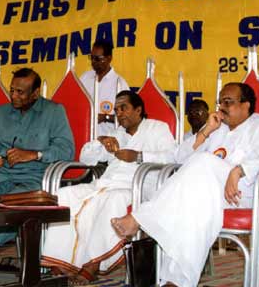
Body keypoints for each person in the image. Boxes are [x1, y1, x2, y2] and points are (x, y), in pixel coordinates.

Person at [112, 82, 259, 287]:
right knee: (194, 209)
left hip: (243, 195)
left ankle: (140, 217)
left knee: (203, 161)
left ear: (246, 105)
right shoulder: (217, 128)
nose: (221, 107)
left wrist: (238, 170)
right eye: (220, 102)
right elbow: (179, 157)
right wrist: (206, 131)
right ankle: (174, 282)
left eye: (228, 102)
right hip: (210, 196)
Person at [42, 90, 176, 284]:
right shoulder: (116, 134)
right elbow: (85, 158)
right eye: (116, 110)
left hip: (137, 188)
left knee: (112, 200)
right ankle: (61, 262)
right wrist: (101, 142)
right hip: (105, 184)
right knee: (65, 195)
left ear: (138, 110)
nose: (119, 114)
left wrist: (139, 156)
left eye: (124, 108)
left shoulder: (157, 128)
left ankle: (93, 265)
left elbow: (172, 157)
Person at [0, 68, 74, 269]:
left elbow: (66, 150)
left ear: (35, 93)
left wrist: (34, 154)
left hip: (35, 179)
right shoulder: (0, 113)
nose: (14, 96)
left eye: (20, 92)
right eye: (12, 90)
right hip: (0, 176)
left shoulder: (54, 112)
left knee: (2, 213)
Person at [80, 39, 129, 136]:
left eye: (98, 58)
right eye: (92, 57)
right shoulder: (85, 78)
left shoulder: (120, 84)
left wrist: (105, 117)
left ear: (109, 58)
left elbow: (128, 116)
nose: (93, 62)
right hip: (84, 138)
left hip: (108, 142)